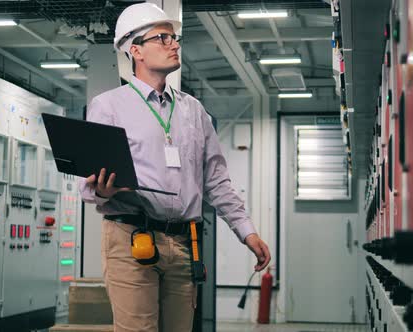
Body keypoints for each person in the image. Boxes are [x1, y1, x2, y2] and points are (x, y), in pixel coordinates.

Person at [79, 3, 271, 331]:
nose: (175, 44)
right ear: (135, 49)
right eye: (163, 38)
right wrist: (101, 188)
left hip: (183, 243)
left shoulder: (193, 110)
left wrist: (246, 231)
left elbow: (216, 181)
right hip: (130, 238)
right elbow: (90, 182)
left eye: (175, 37)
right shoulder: (109, 106)